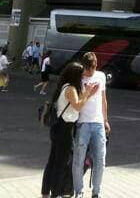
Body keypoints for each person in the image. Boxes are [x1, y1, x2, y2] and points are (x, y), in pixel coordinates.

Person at [41, 62, 100, 198]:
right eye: (81, 75)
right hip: (65, 129)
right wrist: (88, 93)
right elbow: (78, 106)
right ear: (75, 76)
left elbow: (76, 105)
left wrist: (87, 94)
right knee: (61, 163)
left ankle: (45, 192)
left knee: (53, 160)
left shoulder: (65, 86)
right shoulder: (71, 89)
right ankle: (56, 193)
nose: (82, 78)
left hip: (58, 127)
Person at [72, 52, 110, 198]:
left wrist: (106, 120)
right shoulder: (78, 78)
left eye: (93, 69)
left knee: (100, 159)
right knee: (79, 159)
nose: (91, 73)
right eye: (88, 70)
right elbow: (77, 103)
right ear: (84, 67)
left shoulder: (101, 76)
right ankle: (79, 191)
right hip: (83, 123)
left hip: (98, 122)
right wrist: (88, 92)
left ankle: (96, 191)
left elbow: (103, 99)